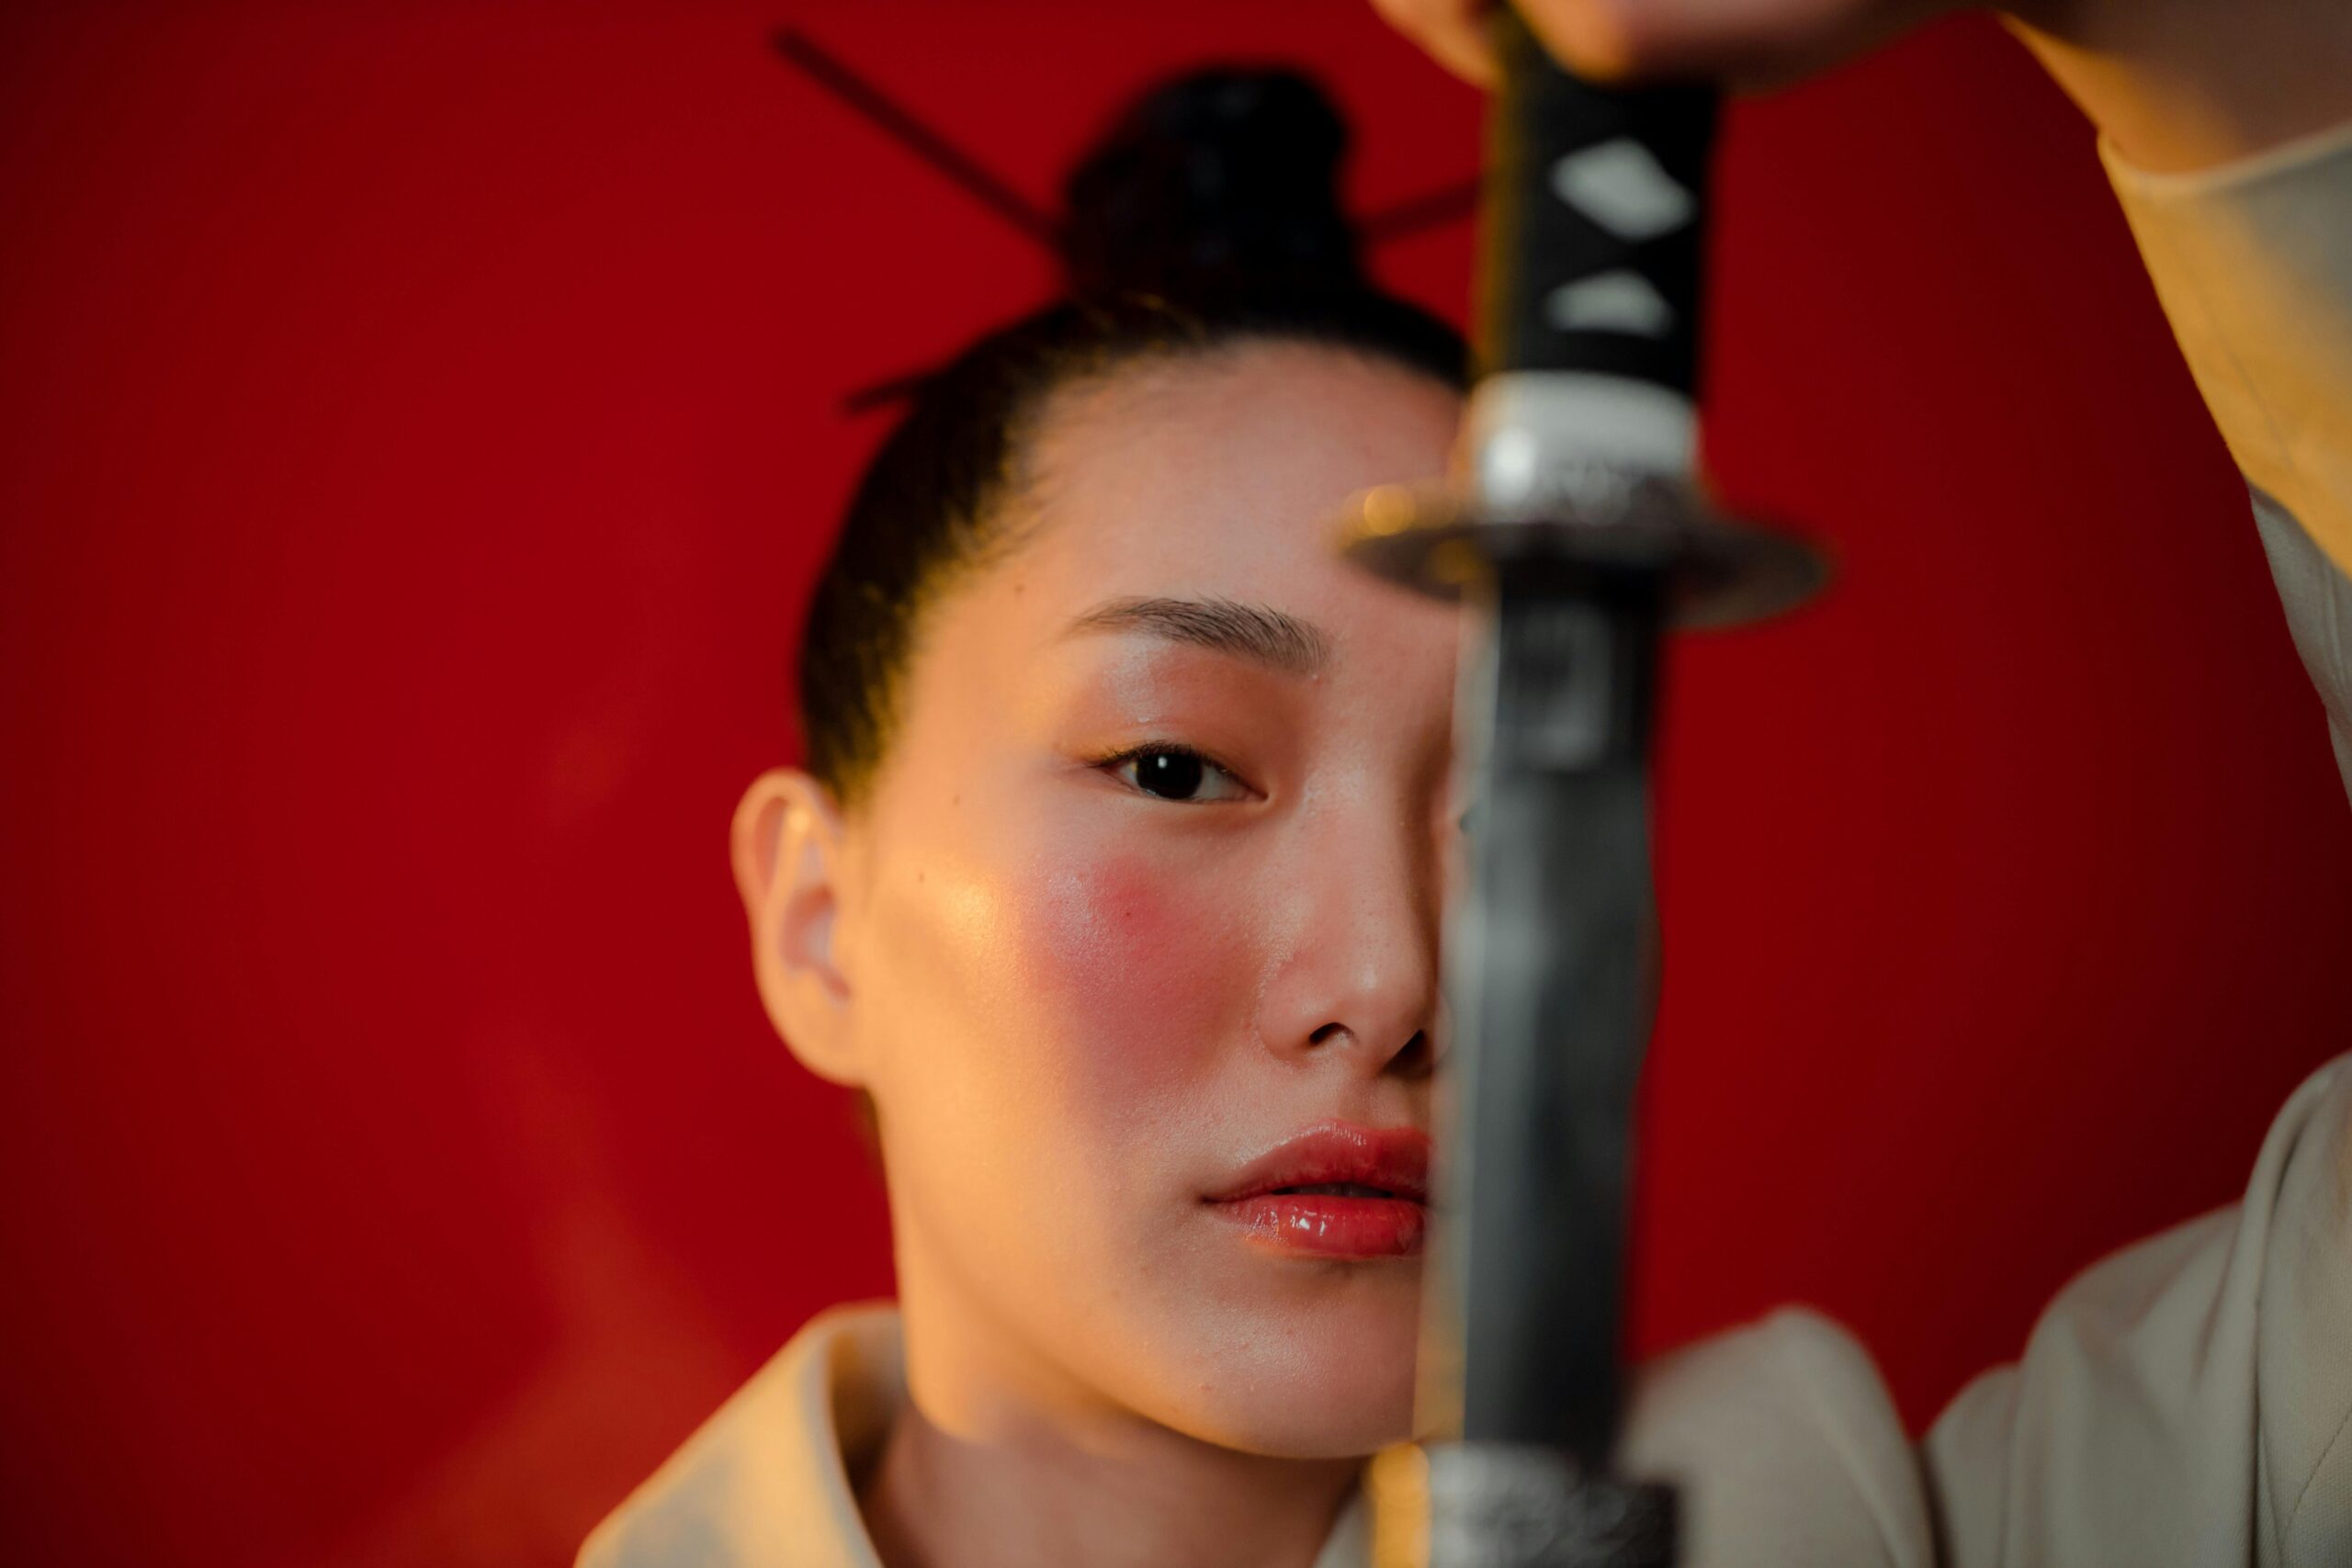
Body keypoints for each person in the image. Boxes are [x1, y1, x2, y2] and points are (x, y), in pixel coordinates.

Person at [580, 0, 2352, 1562]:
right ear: (821, 926)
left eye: (1513, 806)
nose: (1395, 982)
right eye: (1179, 765)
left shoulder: (1864, 1523)